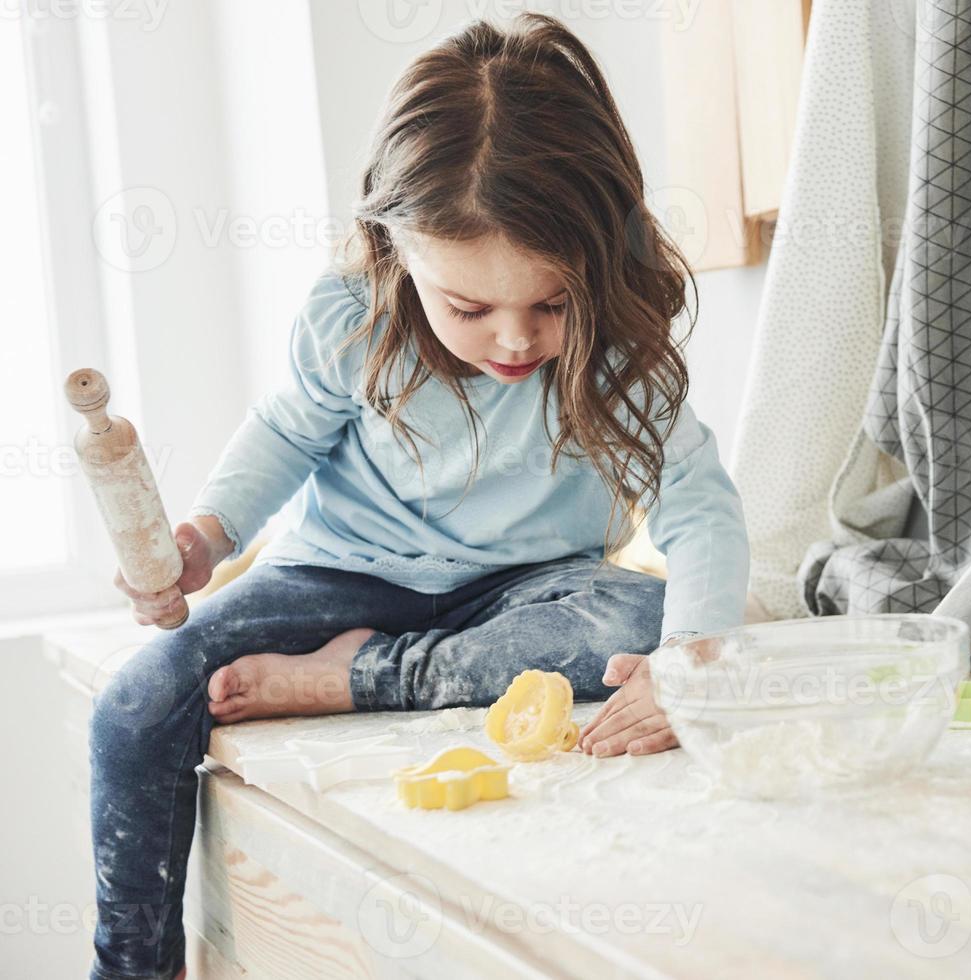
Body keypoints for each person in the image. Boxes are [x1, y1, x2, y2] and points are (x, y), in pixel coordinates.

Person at [87, 16, 749, 979]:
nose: (515, 341)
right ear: (397, 253)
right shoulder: (351, 317)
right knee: (137, 698)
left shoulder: (617, 349)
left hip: (530, 588)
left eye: (551, 303)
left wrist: (688, 660)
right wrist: (207, 533)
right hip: (338, 575)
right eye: (470, 308)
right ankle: (133, 965)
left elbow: (698, 508)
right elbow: (283, 432)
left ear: (599, 267)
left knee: (642, 615)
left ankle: (359, 676)